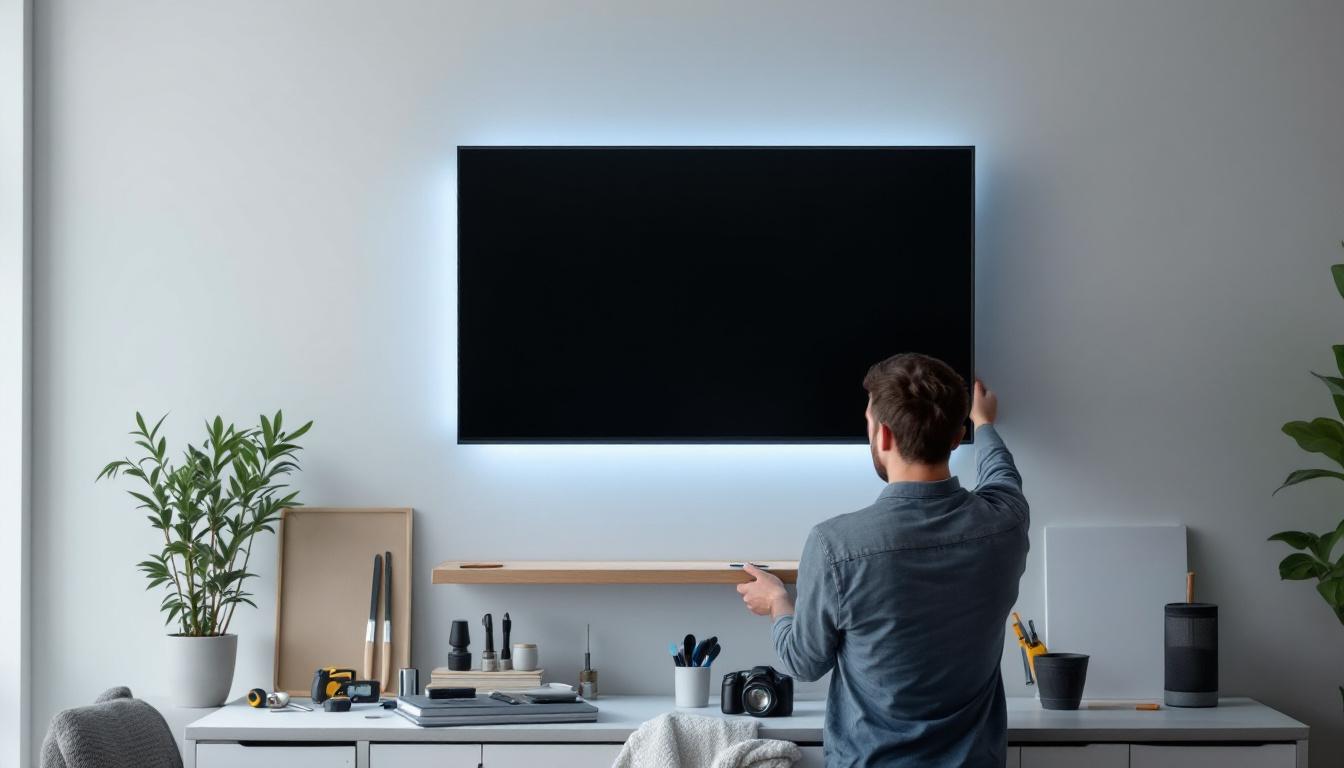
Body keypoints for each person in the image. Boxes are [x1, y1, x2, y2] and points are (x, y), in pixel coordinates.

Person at [736, 353, 1029, 767]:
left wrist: (779, 603)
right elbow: (1003, 475)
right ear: (953, 436)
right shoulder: (1005, 525)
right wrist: (984, 425)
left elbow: (803, 662)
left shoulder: (834, 544)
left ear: (884, 436)